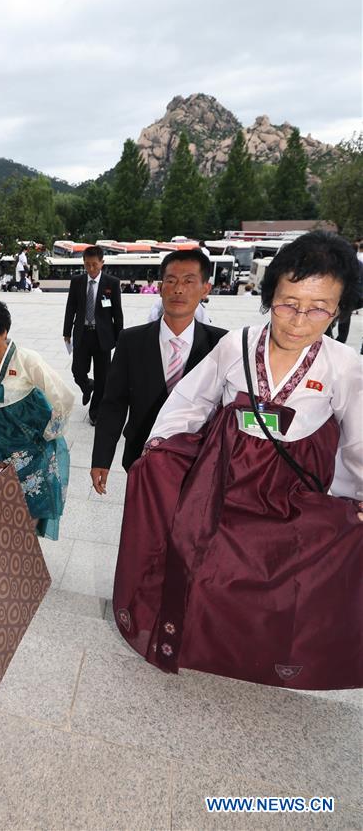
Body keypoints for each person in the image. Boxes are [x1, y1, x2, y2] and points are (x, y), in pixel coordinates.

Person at [112, 231, 363, 690]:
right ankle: (193, 643)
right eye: (289, 302)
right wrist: (160, 446)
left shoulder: (344, 365)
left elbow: (357, 441)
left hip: (289, 492)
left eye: (319, 307)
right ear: (270, 296)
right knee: (202, 560)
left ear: (339, 309)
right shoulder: (237, 344)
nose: (300, 319)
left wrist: (353, 499)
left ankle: (260, 655)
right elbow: (192, 399)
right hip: (224, 478)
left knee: (280, 579)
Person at [91, 249, 226, 491]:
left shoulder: (221, 344)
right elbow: (114, 403)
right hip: (141, 458)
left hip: (198, 462)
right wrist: (101, 458)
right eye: (171, 281)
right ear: (161, 287)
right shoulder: (130, 341)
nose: (178, 289)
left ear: (206, 289)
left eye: (188, 281)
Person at [0, 298, 74, 539]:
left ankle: (21, 550)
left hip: (23, 446)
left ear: (3, 331)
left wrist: (50, 432)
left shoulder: (27, 359)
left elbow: (63, 397)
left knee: (26, 502)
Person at [62, 245, 123, 425]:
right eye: (87, 265)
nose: (91, 269)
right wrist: (67, 331)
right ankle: (87, 385)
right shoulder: (77, 281)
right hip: (82, 333)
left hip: (103, 336)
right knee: (77, 371)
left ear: (102, 263)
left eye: (94, 265)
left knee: (103, 377)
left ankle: (95, 411)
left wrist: (120, 338)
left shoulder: (112, 283)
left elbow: (117, 312)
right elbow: (70, 307)